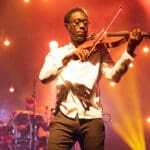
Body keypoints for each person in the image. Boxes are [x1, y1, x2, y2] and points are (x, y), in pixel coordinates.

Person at [39, 7, 143, 150]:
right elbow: (43, 77)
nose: (82, 26)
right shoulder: (58, 53)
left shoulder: (99, 51)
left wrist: (129, 50)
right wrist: (67, 59)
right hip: (63, 117)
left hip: (91, 118)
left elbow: (113, 76)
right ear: (67, 26)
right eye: (76, 23)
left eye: (85, 22)